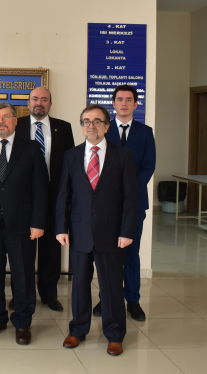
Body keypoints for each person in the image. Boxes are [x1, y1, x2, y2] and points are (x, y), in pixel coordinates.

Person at [55, 104, 138, 356]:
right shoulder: (71, 155)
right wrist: (61, 227)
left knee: (111, 286)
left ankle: (114, 334)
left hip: (111, 233)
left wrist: (127, 231)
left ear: (107, 126)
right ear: (82, 126)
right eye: (86, 121)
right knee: (79, 285)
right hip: (79, 231)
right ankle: (78, 330)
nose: (91, 126)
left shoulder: (122, 155)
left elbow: (130, 197)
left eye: (97, 121)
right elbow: (63, 194)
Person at [0, 102, 48, 345]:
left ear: (16, 121)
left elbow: (40, 189)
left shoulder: (31, 149)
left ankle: (23, 322)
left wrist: (38, 222)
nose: (1, 122)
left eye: (6, 117)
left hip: (22, 225)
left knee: (23, 275)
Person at [92, 85, 155, 321]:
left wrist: (129, 188)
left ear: (136, 104)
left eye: (129, 100)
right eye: (120, 99)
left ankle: (133, 300)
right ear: (113, 104)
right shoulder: (103, 131)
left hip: (134, 203)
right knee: (107, 254)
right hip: (106, 204)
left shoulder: (145, 132)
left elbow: (149, 165)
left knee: (131, 253)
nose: (124, 103)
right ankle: (106, 298)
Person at [12, 87, 74, 312]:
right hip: (22, 198)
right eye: (35, 99)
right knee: (22, 252)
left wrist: (69, 197)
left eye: (44, 99)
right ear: (28, 103)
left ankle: (49, 295)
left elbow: (70, 165)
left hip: (54, 197)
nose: (39, 103)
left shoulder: (63, 127)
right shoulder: (16, 125)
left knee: (51, 250)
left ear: (50, 104)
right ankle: (21, 295)